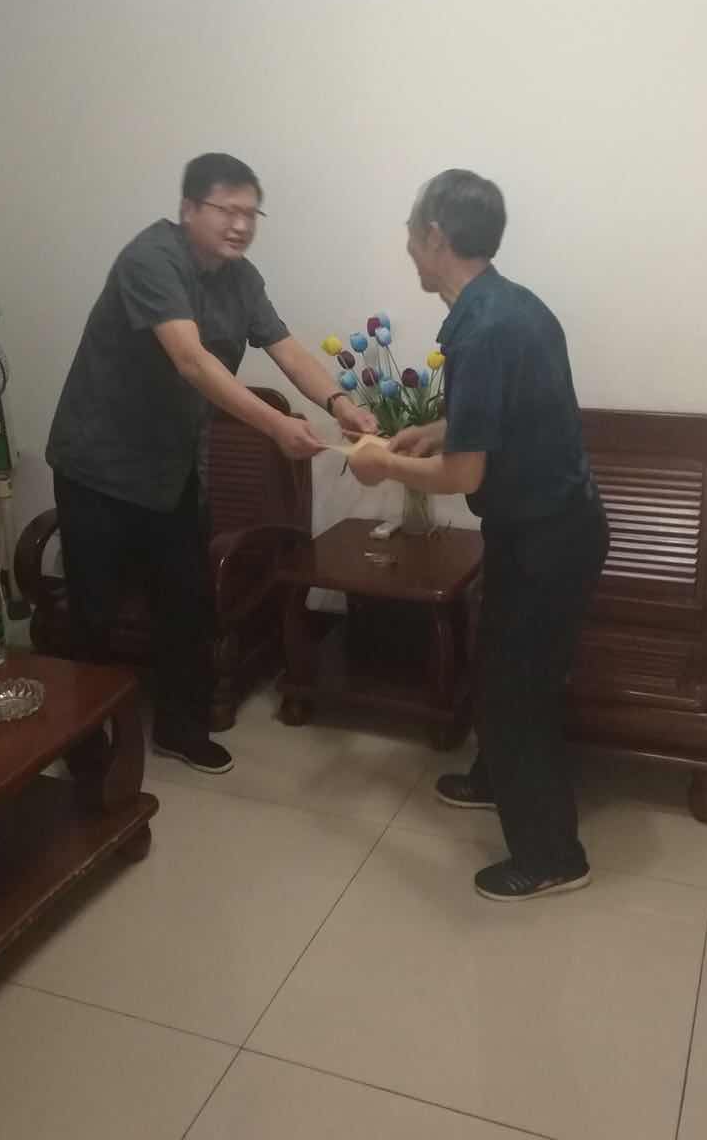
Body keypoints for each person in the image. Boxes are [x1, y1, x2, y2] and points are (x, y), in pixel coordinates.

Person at [47, 152, 376, 773]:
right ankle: (85, 746)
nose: (241, 225)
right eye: (228, 210)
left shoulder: (241, 279)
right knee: (93, 613)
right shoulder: (151, 259)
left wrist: (342, 405)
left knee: (185, 604)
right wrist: (276, 426)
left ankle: (181, 728)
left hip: (172, 469)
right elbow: (192, 362)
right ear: (189, 209)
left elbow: (287, 350)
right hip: (99, 466)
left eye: (252, 214)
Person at [348, 169, 609, 901]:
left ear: (437, 237)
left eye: (411, 232)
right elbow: (500, 420)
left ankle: (553, 857)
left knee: (519, 692)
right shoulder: (507, 305)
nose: (407, 245)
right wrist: (437, 428)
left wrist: (380, 464)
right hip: (542, 528)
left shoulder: (485, 329)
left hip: (549, 540)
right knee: (501, 667)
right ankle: (496, 779)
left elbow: (464, 475)